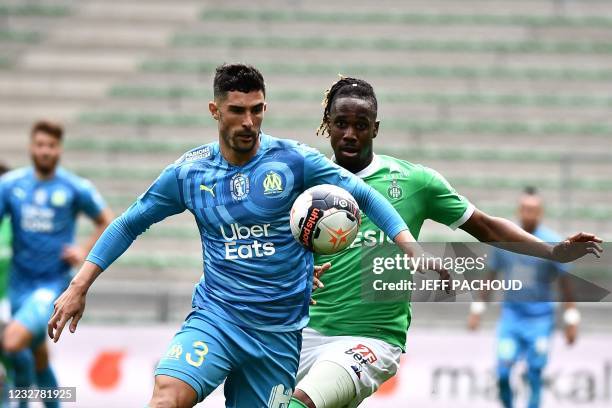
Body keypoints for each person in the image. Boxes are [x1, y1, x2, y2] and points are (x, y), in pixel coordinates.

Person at [47, 64, 440, 408]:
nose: (248, 122)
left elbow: (364, 194)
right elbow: (127, 223)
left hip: (279, 336)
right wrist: (80, 286)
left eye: (257, 110)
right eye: (237, 111)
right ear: (215, 111)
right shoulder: (190, 173)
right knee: (167, 396)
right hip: (217, 319)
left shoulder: (293, 161)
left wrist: (412, 248)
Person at [289, 77, 602, 408]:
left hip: (371, 340)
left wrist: (552, 251)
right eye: (341, 124)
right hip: (304, 332)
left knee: (303, 402)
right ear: (327, 125)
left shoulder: (414, 182)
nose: (350, 134)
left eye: (360, 125)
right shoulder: (306, 186)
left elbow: (485, 226)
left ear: (376, 128)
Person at [0, 121, 113, 407]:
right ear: (31, 147)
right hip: (18, 286)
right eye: (40, 145)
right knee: (37, 355)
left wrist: (83, 250)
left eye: (51, 146)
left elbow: (106, 221)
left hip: (53, 286)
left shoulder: (74, 187)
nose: (45, 151)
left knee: (12, 342)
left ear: (59, 149)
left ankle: (18, 401)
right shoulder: (11, 185)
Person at [467, 187, 579, 408]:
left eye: (534, 209)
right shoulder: (505, 241)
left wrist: (572, 320)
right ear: (519, 210)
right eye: (525, 209)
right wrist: (477, 311)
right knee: (502, 372)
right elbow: (490, 276)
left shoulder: (552, 243)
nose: (529, 213)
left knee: (535, 373)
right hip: (512, 317)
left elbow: (566, 283)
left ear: (541, 212)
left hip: (540, 319)